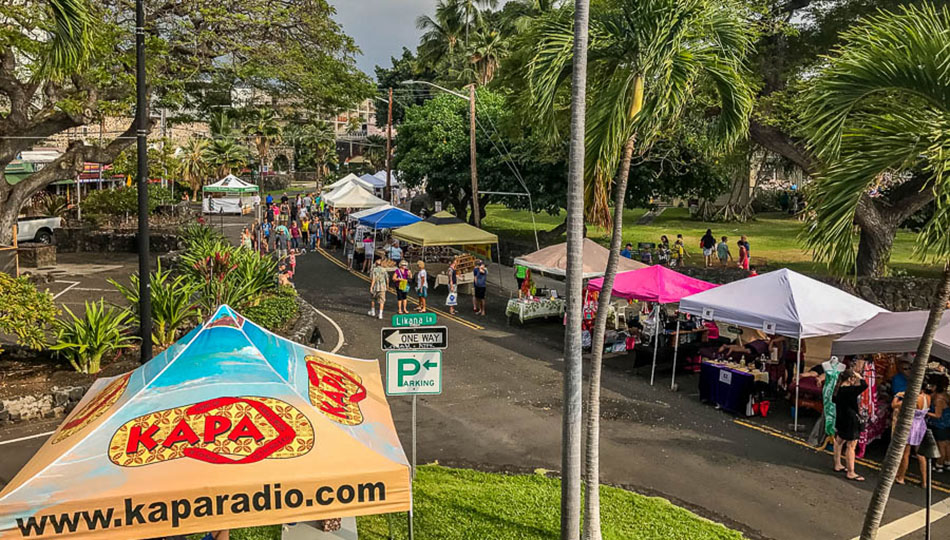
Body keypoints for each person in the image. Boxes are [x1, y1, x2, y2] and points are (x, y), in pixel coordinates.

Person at [832, 368, 868, 481]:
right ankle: (851, 471)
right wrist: (860, 377)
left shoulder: (838, 389)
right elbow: (864, 385)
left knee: (839, 441)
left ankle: (837, 464)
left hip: (841, 417)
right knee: (851, 446)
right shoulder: (849, 390)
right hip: (850, 420)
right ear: (850, 379)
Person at [894, 384, 932, 485]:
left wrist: (897, 396)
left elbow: (895, 405)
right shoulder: (928, 397)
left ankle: (901, 477)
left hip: (911, 425)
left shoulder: (914, 399)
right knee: (920, 454)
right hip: (921, 425)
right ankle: (925, 481)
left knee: (905, 453)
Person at [927, 375, 950, 473]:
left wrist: (925, 412)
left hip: (940, 425)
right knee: (947, 444)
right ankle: (947, 462)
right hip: (947, 423)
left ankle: (939, 464)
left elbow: (937, 415)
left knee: (941, 445)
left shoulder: (938, 399)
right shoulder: (945, 395)